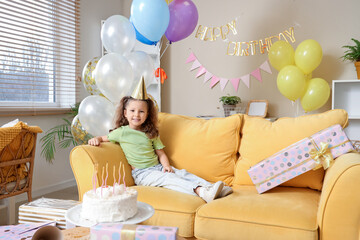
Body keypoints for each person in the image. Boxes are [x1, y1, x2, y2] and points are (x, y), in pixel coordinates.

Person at [88, 78, 232, 203]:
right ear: (125, 113)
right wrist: (96, 139)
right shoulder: (122, 132)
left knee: (182, 173)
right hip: (142, 174)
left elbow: (161, 153)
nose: (136, 115)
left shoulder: (150, 133)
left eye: (141, 111)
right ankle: (201, 192)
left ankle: (212, 188)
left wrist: (167, 166)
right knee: (171, 181)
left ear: (147, 114)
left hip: (157, 167)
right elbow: (102, 138)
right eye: (132, 111)